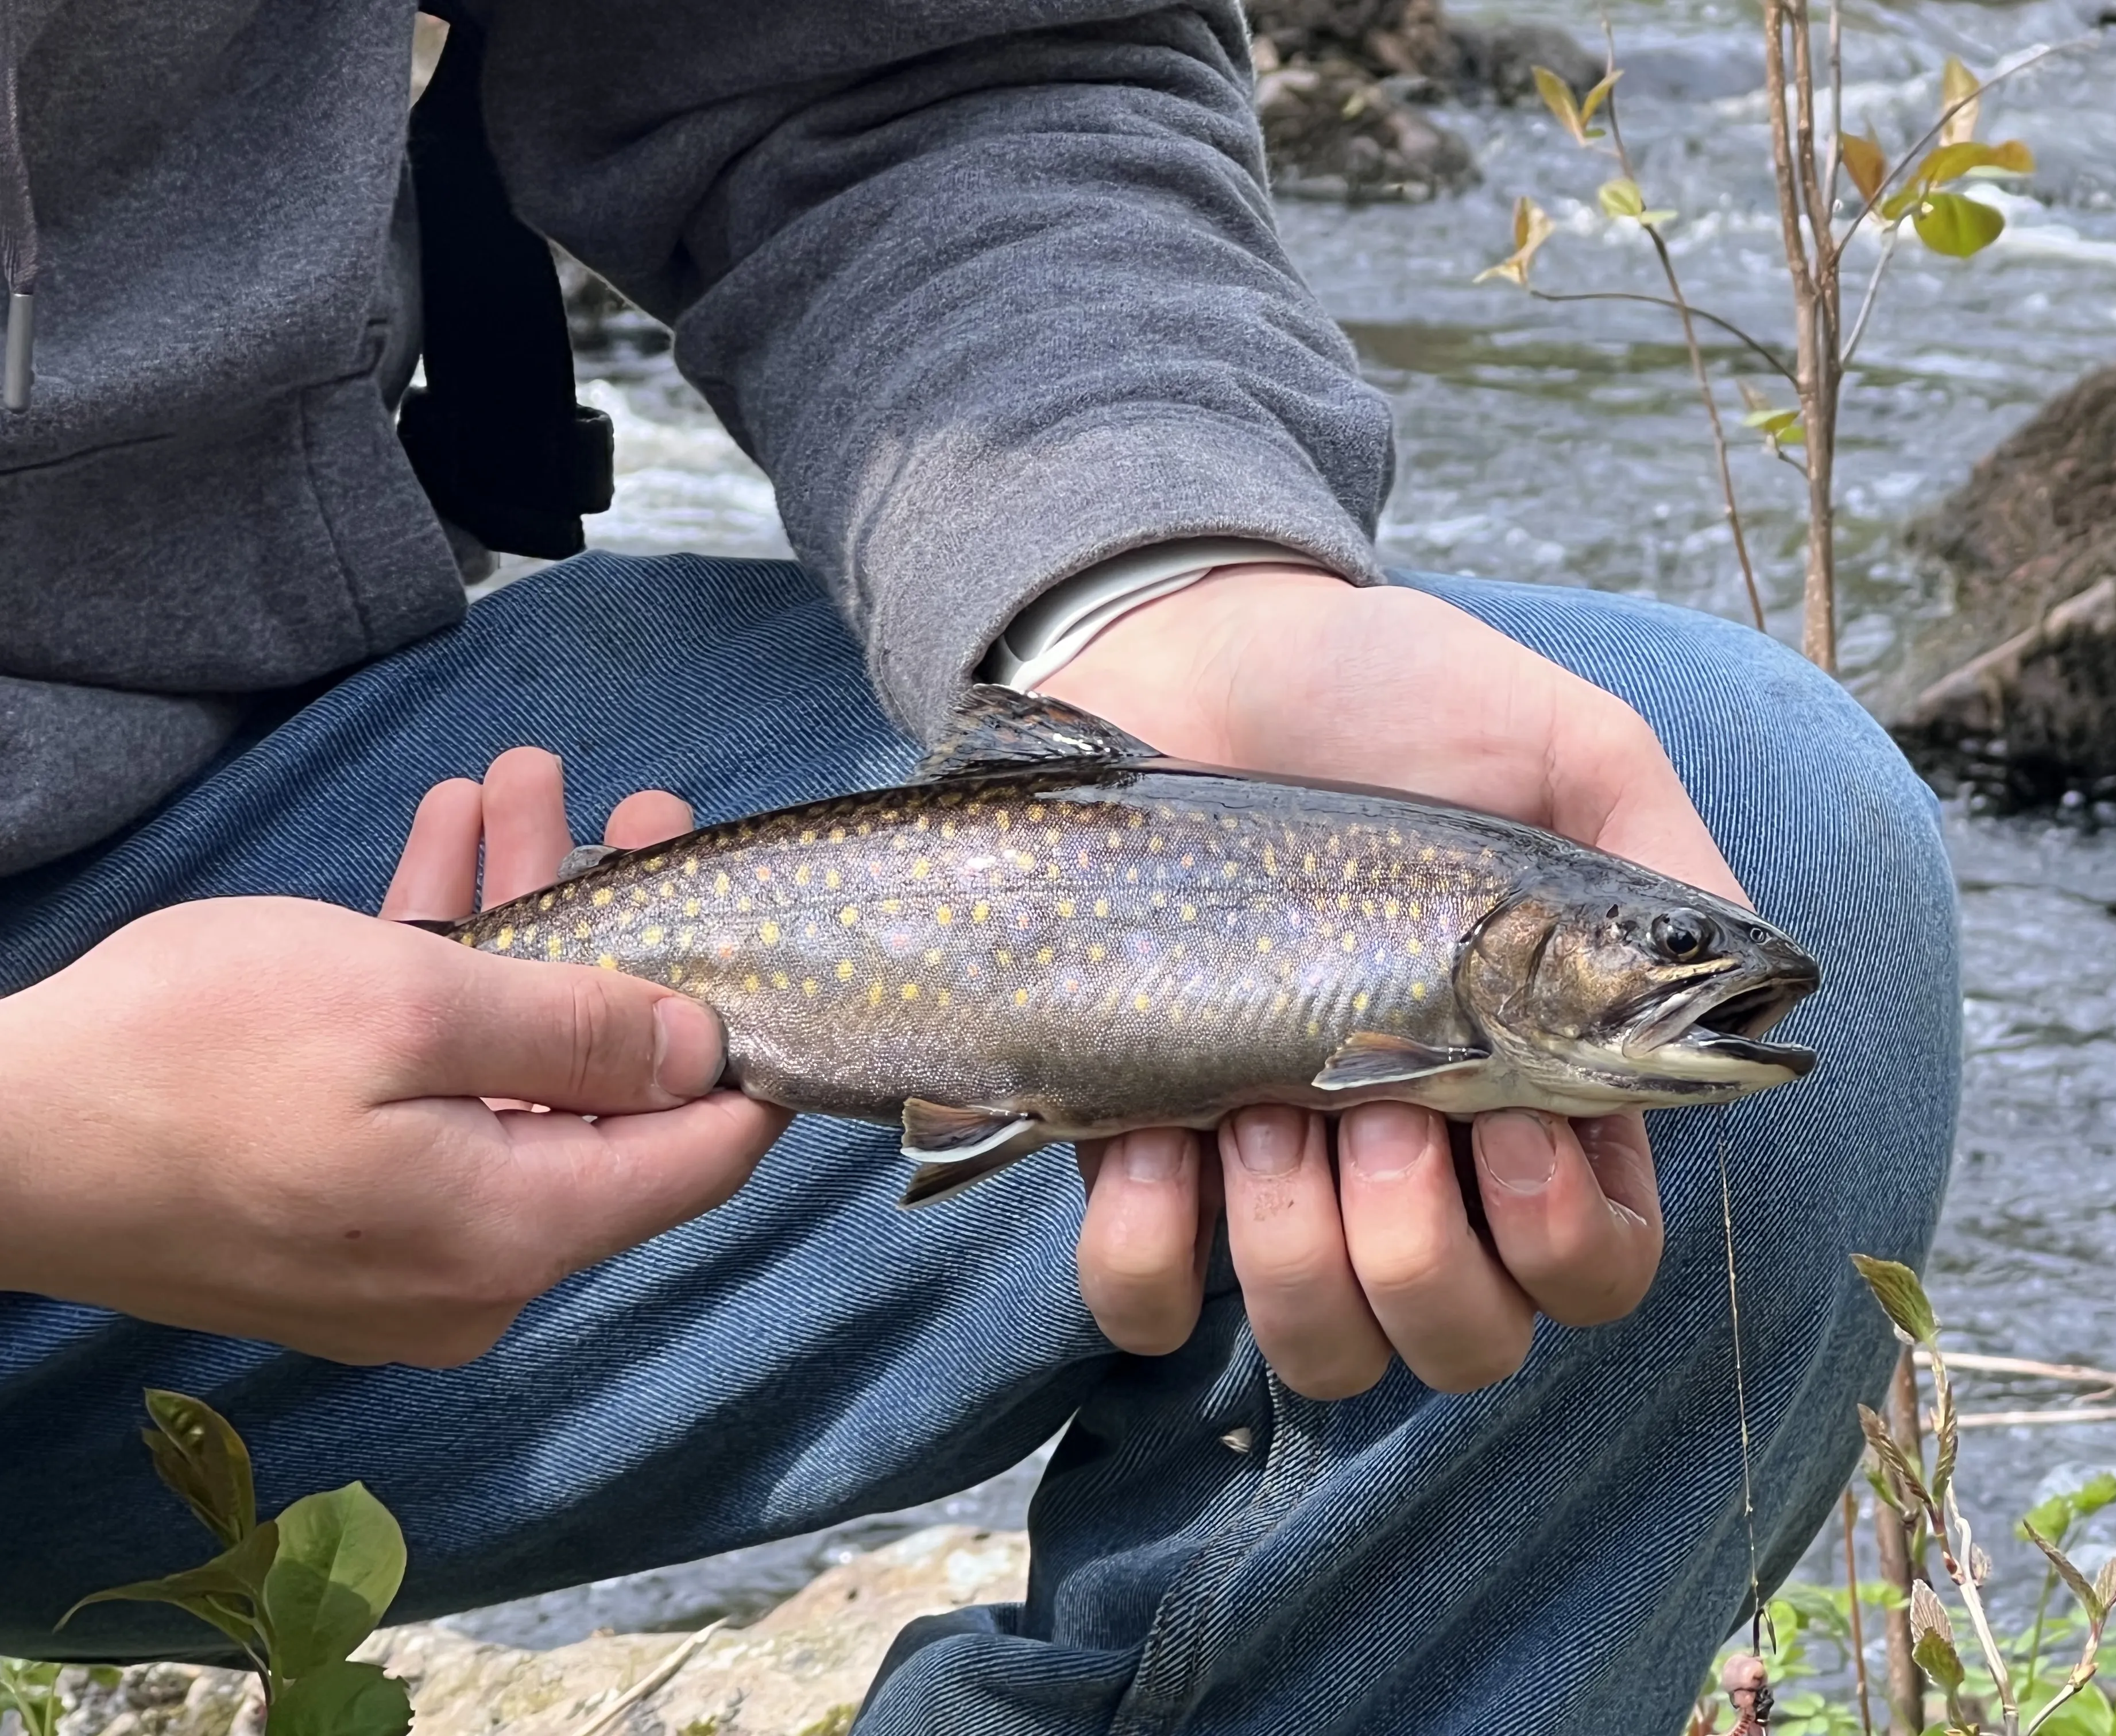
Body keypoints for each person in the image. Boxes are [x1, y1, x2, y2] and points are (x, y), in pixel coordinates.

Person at [0, 2, 1960, 1730]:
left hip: (219, 792)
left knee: (1764, 835)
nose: (1690, 968)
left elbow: (893, 63)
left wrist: (1145, 571)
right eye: (1648, 955)